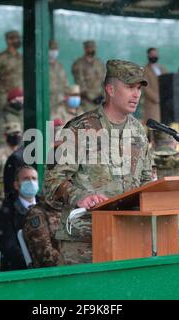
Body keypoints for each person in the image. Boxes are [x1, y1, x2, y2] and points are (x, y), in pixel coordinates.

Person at [43, 59, 152, 264]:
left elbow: (146, 179)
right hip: (84, 243)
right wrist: (80, 195)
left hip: (129, 236)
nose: (136, 94)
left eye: (139, 88)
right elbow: (51, 183)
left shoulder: (139, 131)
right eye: (130, 87)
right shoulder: (78, 129)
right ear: (110, 89)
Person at [0, 166, 39, 271]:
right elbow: (9, 249)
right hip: (19, 272)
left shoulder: (46, 207)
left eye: (34, 178)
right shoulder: (5, 213)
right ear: (16, 185)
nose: (31, 182)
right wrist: (35, 264)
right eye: (26, 179)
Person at [22, 199, 65, 268]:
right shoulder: (37, 213)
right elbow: (44, 253)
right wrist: (75, 264)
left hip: (81, 269)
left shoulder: (75, 208)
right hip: (57, 273)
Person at [0, 30, 23, 113]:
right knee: (4, 120)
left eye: (19, 38)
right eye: (16, 39)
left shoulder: (21, 58)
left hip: (20, 97)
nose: (19, 41)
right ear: (9, 41)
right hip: (4, 96)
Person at [71, 40, 105, 113]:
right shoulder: (79, 64)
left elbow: (105, 80)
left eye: (93, 47)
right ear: (85, 49)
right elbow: (80, 83)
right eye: (90, 47)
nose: (92, 49)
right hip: (86, 102)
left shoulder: (99, 63)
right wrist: (93, 98)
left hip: (101, 100)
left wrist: (103, 96)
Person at [142, 47, 168, 122]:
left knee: (165, 127)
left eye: (155, 54)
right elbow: (145, 86)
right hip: (152, 104)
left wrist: (165, 98)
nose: (154, 56)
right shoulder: (144, 70)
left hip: (164, 105)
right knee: (153, 127)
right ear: (148, 56)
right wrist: (157, 98)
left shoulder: (163, 69)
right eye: (152, 54)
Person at [48, 39, 69, 116]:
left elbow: (66, 83)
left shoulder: (60, 66)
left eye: (55, 49)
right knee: (49, 126)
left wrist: (67, 96)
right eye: (51, 49)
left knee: (59, 125)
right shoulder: (43, 67)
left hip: (60, 102)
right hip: (48, 103)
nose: (54, 52)